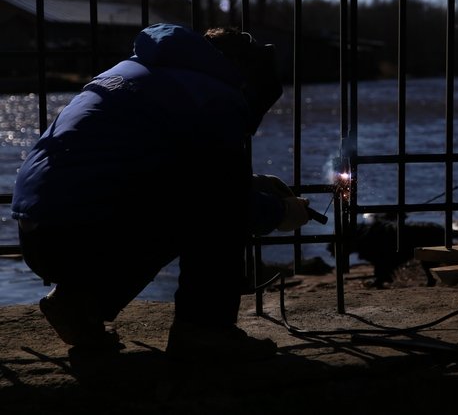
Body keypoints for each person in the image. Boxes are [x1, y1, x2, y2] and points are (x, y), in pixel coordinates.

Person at [11, 23, 310, 359]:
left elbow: (159, 169)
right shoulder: (213, 95)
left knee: (185, 204)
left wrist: (251, 185)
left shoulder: (148, 71)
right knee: (214, 211)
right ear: (240, 74)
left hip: (39, 234)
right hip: (82, 234)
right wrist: (282, 213)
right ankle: (205, 329)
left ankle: (77, 304)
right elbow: (224, 203)